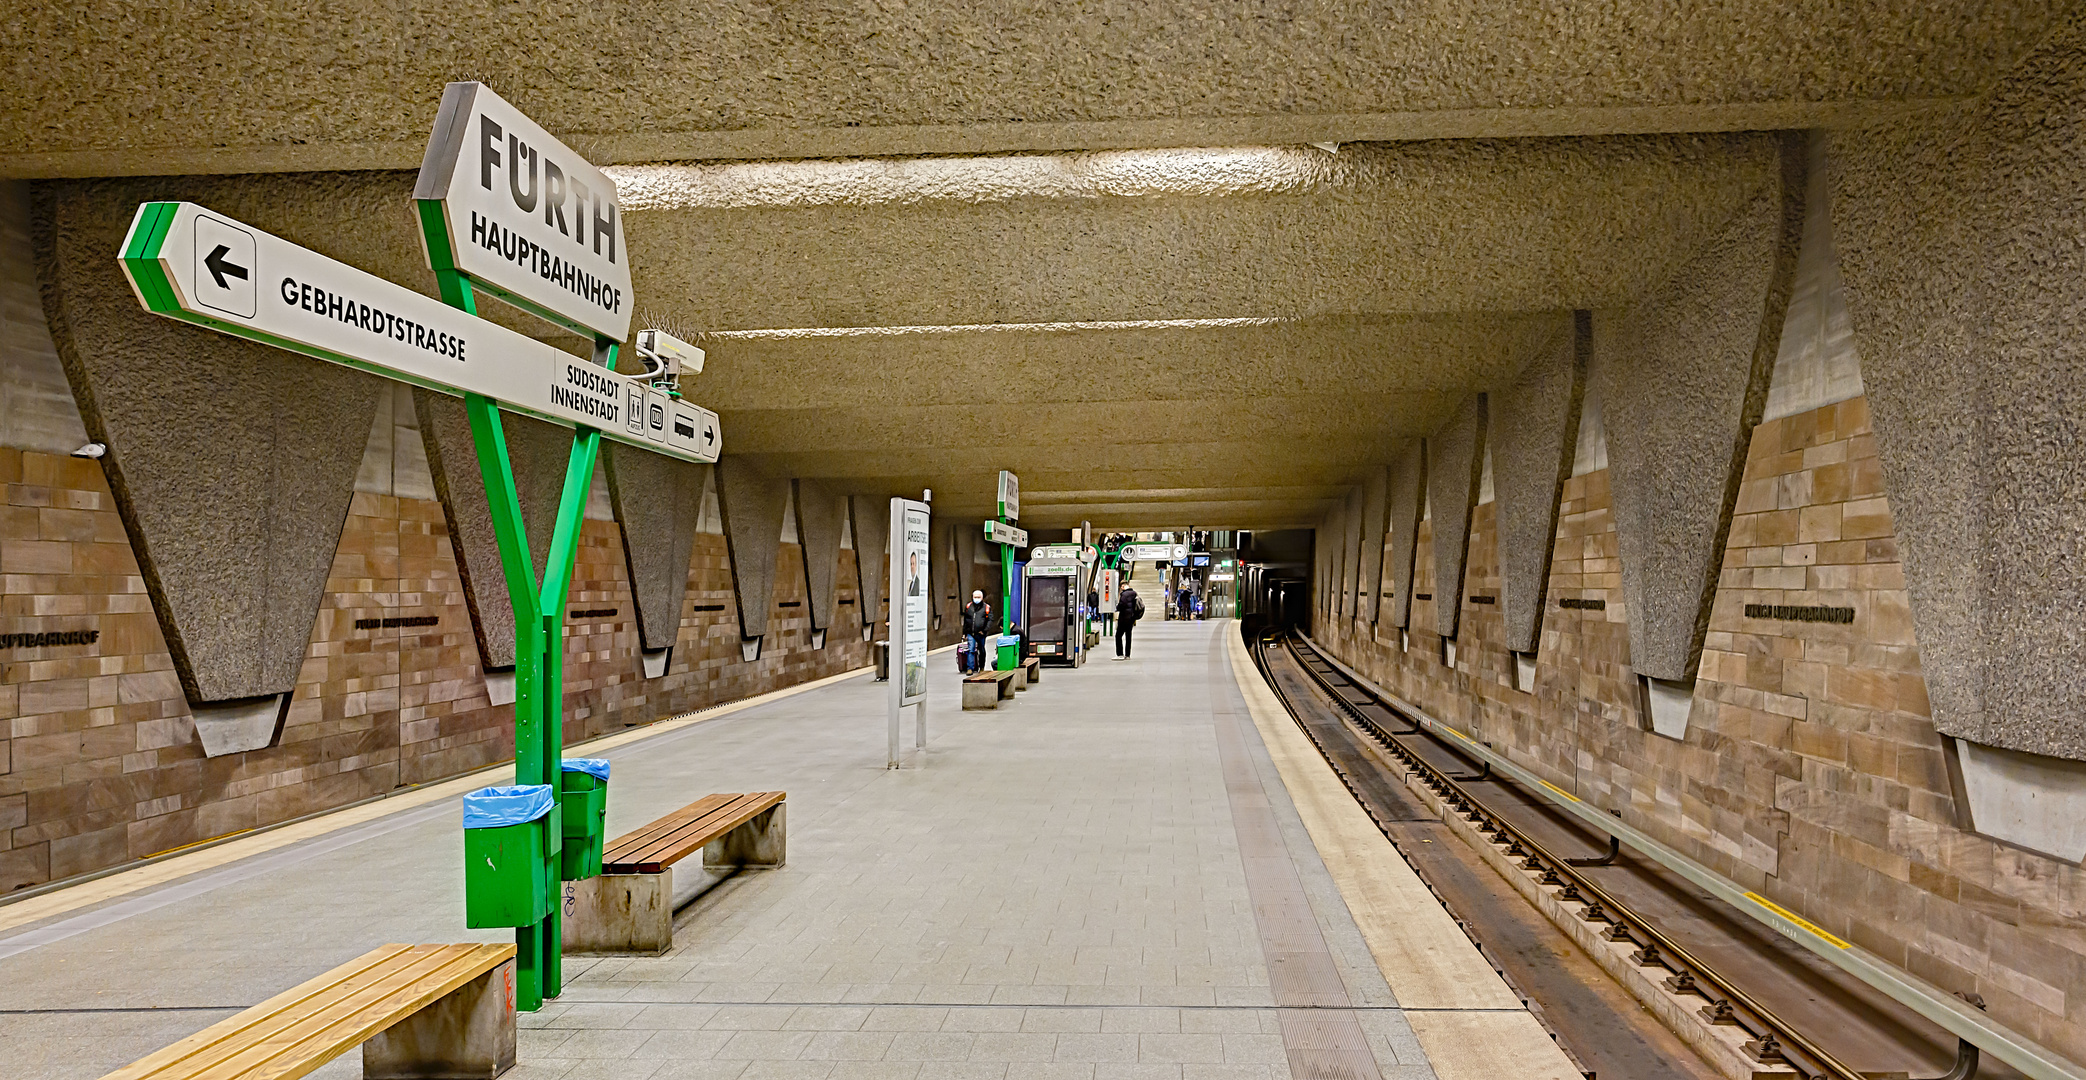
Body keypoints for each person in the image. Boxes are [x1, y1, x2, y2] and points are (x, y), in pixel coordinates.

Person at [960, 589, 994, 673]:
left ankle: (981, 667)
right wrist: (964, 633)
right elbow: (966, 620)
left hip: (981, 633)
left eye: (978, 597)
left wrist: (985, 630)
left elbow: (990, 620)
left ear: (982, 598)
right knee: (971, 649)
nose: (976, 599)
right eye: (975, 597)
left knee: (981, 650)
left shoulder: (986, 607)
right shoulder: (968, 607)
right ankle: (970, 668)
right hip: (970, 633)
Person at [1115, 585, 1143, 660]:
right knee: (1128, 636)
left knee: (1118, 635)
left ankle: (1120, 653)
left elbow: (1122, 605)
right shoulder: (1134, 593)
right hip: (1131, 618)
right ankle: (1127, 654)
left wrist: (1117, 608)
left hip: (1124, 617)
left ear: (1123, 586)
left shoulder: (1124, 594)